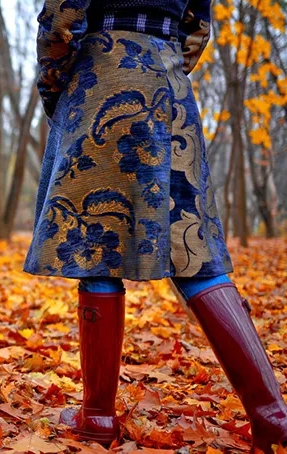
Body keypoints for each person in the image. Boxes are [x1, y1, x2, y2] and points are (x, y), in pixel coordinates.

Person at [24, 0, 287, 451]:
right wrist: (161, 62)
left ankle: (99, 418)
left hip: (101, 76)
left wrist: (55, 87)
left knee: (97, 240)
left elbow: (61, 19)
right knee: (193, 246)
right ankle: (274, 419)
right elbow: (197, 28)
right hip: (169, 86)